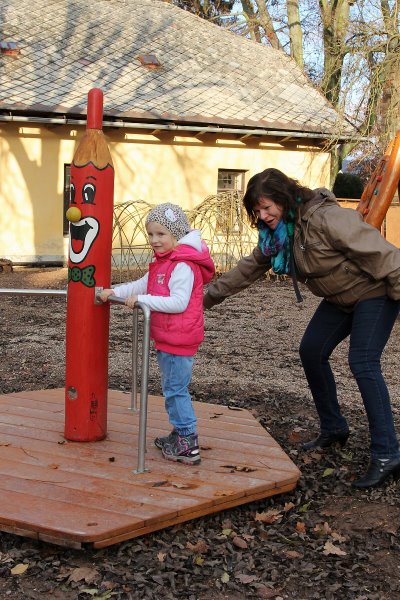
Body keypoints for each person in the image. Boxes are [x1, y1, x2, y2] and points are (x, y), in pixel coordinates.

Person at [203, 168, 400, 489]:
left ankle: (387, 453)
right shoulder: (279, 235)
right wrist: (206, 299)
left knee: (363, 362)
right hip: (340, 298)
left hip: (373, 292)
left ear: (284, 198)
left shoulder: (326, 219)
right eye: (257, 211)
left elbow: (387, 257)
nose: (263, 216)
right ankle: (334, 428)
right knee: (311, 351)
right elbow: (249, 268)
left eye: (267, 207)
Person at [101, 202, 215, 465]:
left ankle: (187, 442)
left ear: (177, 234)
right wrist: (114, 292)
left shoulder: (183, 265)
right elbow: (142, 284)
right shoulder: (163, 262)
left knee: (175, 390)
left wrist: (142, 300)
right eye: (151, 234)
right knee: (172, 388)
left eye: (161, 234)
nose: (154, 240)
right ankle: (179, 434)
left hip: (179, 339)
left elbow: (178, 302)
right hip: (168, 337)